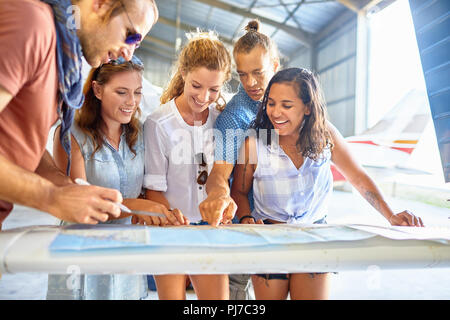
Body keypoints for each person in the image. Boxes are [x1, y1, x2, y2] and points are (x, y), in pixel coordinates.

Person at [230, 67, 424, 300]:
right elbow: (239, 191)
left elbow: (358, 177)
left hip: (314, 235)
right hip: (270, 239)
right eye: (271, 103)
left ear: (308, 107)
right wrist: (246, 219)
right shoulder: (254, 143)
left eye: (286, 105)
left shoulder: (326, 136)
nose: (276, 112)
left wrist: (391, 215)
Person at [0, 0, 158, 230]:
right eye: (130, 35)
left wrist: (66, 188)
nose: (128, 53)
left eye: (137, 43)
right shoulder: (32, 24)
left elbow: (18, 144)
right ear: (102, 4)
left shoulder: (62, 63)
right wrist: (51, 197)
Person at [47, 56, 179, 300]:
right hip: (81, 255)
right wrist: (138, 206)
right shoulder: (71, 134)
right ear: (97, 89)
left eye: (137, 93)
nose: (132, 102)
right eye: (122, 92)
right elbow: (77, 205)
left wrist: (164, 211)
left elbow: (147, 191)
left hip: (126, 255)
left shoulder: (139, 134)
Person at [143, 31, 232, 300]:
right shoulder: (158, 123)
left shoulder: (223, 121)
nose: (204, 96)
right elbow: (153, 190)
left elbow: (223, 179)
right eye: (196, 86)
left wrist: (223, 208)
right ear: (183, 73)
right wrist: (175, 221)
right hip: (170, 229)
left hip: (210, 230)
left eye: (214, 89)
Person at [199, 20, 280, 299]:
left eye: (258, 72)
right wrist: (220, 196)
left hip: (287, 226)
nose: (250, 83)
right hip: (245, 225)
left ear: (276, 66)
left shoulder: (293, 103)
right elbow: (220, 174)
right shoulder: (233, 118)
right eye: (243, 75)